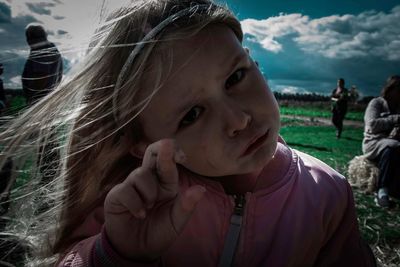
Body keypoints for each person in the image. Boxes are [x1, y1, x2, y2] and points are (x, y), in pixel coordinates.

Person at [0, 1, 375, 266]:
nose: (238, 119)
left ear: (251, 60)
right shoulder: (132, 203)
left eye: (236, 77)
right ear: (142, 144)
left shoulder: (328, 191)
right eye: (192, 115)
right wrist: (118, 254)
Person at [362, 75, 400, 208]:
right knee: (393, 146)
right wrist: (395, 119)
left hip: (391, 140)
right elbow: (371, 124)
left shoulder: (398, 107)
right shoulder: (377, 103)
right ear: (391, 89)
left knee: (394, 144)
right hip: (373, 142)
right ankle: (382, 191)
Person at [22, 23, 63, 105]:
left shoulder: (42, 50)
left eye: (28, 38)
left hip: (39, 100)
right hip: (46, 99)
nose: (28, 42)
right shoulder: (50, 48)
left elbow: (41, 76)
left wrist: (34, 100)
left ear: (32, 38)